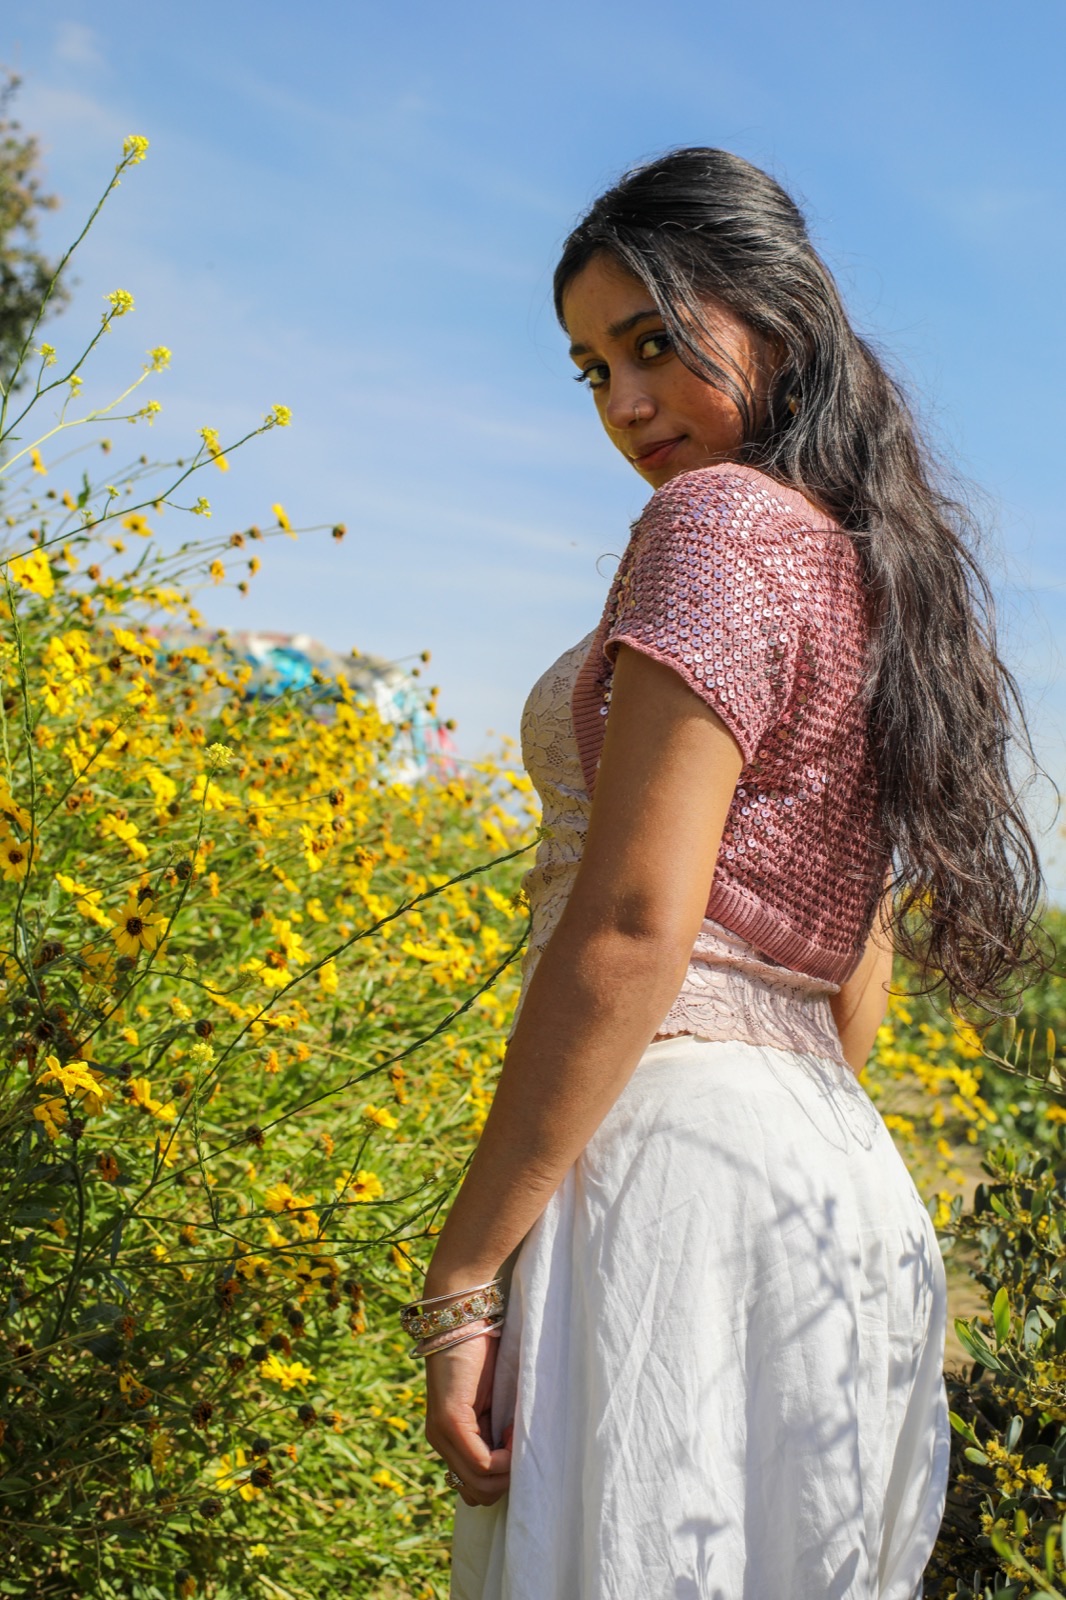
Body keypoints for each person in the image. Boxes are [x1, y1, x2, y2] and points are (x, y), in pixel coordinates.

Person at [402, 148, 1045, 1599]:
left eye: (652, 345)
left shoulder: (715, 525)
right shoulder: (878, 564)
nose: (624, 405)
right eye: (589, 370)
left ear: (774, 318)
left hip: (668, 1174)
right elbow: (851, 973)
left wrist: (457, 1278)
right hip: (831, 1183)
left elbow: (633, 926)